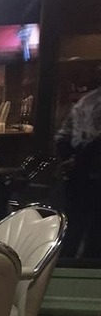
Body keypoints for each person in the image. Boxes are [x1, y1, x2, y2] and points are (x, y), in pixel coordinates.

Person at [54, 67, 101, 259]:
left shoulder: (85, 101)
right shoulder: (88, 102)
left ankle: (66, 264)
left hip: (79, 174)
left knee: (74, 227)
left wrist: (70, 159)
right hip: (89, 174)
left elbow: (62, 137)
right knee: (92, 230)